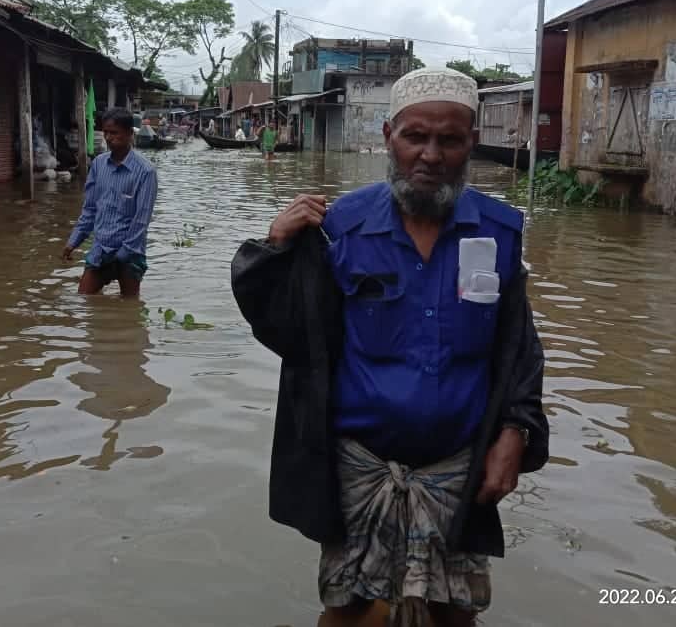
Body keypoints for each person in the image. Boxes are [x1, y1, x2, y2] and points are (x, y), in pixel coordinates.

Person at [231, 67, 547, 627]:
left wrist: (515, 432)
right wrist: (273, 248)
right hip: (360, 462)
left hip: (459, 461)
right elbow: (288, 335)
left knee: (455, 611)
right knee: (348, 607)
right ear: (388, 137)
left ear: (471, 143)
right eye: (415, 136)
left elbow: (518, 348)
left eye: (449, 140)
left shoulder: (501, 233)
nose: (430, 154)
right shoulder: (338, 229)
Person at [61, 109, 158, 298]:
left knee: (129, 309)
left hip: (130, 252)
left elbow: (141, 220)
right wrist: (73, 241)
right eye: (105, 132)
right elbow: (90, 209)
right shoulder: (98, 164)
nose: (108, 137)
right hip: (101, 248)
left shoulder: (145, 172)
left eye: (114, 133)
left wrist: (124, 254)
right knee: (84, 297)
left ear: (130, 134)